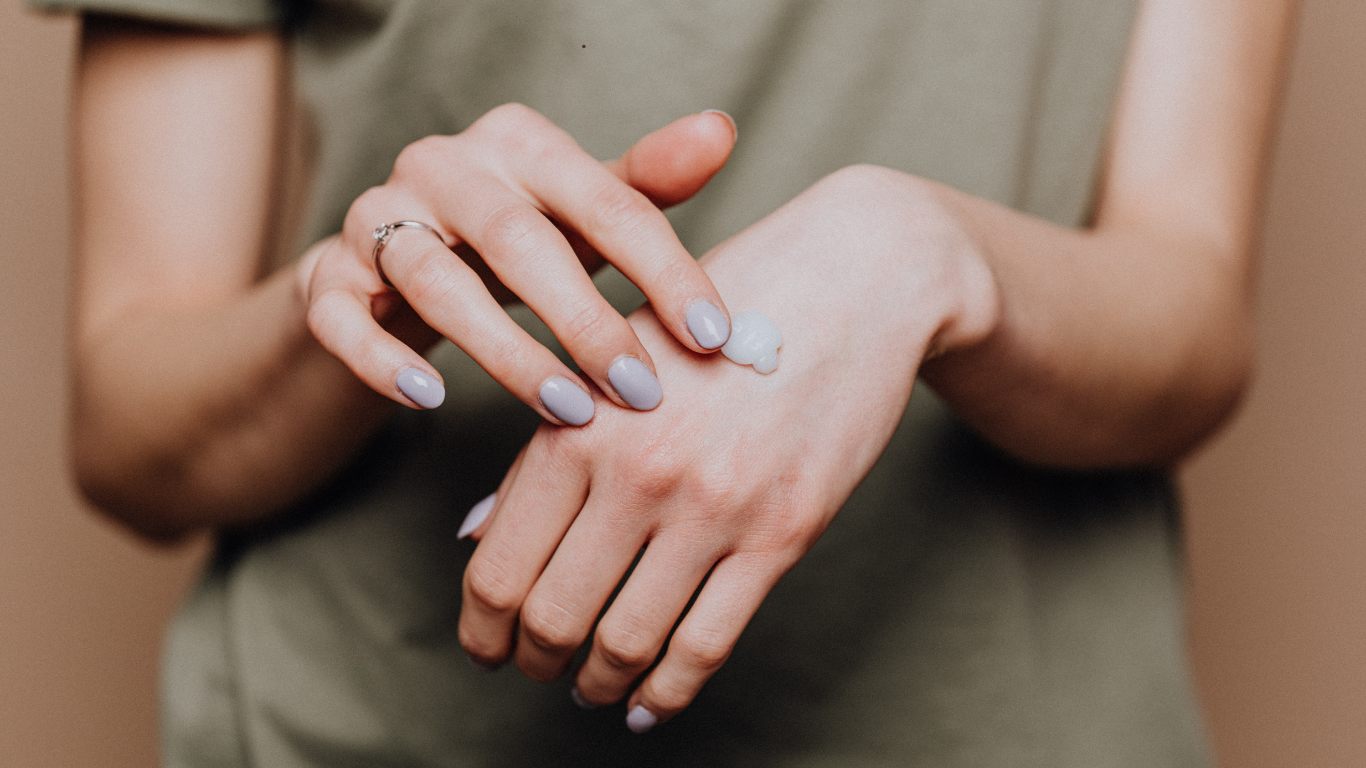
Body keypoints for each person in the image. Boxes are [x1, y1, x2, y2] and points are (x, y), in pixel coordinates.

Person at [43, 0, 1293, 764]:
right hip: (364, 726)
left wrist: (929, 259)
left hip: (1005, 730)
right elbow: (129, 434)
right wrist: (374, 299)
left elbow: (1188, 325)